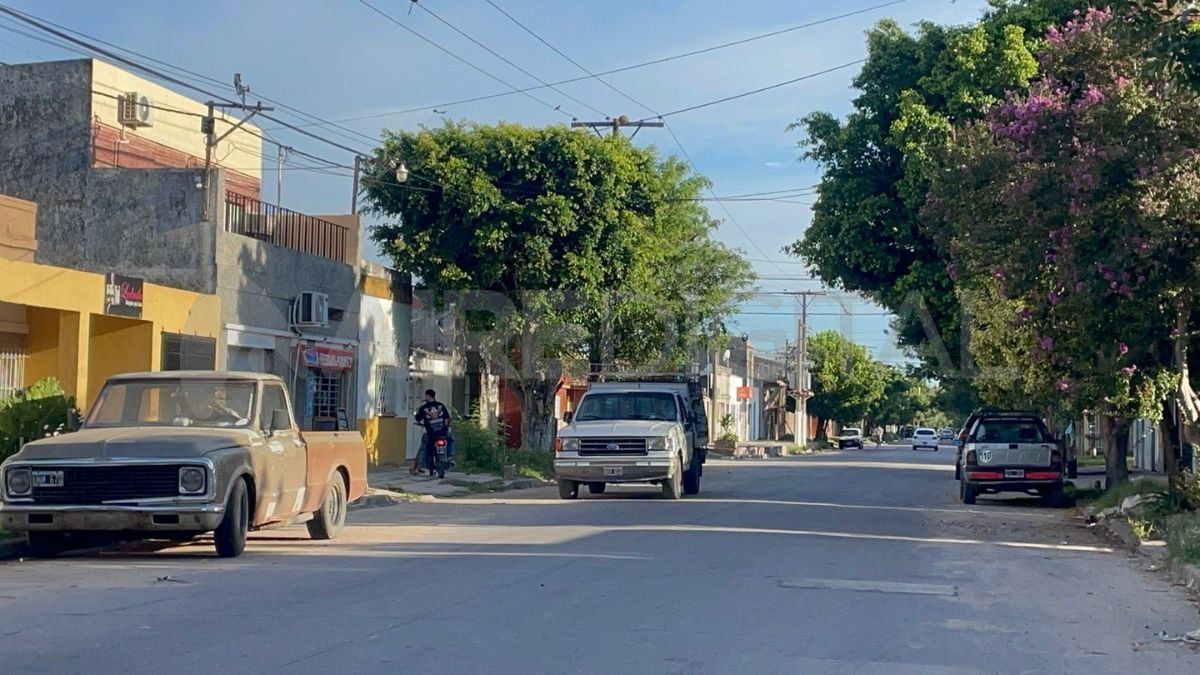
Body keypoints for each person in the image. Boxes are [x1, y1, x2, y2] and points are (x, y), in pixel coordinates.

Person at [413, 389, 454, 475]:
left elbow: (417, 418)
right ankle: (451, 457)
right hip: (443, 433)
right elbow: (448, 418)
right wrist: (446, 425)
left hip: (431, 434)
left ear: (427, 396)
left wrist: (418, 411)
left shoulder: (424, 408)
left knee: (424, 447)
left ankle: (421, 466)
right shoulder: (441, 405)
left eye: (426, 396)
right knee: (451, 440)